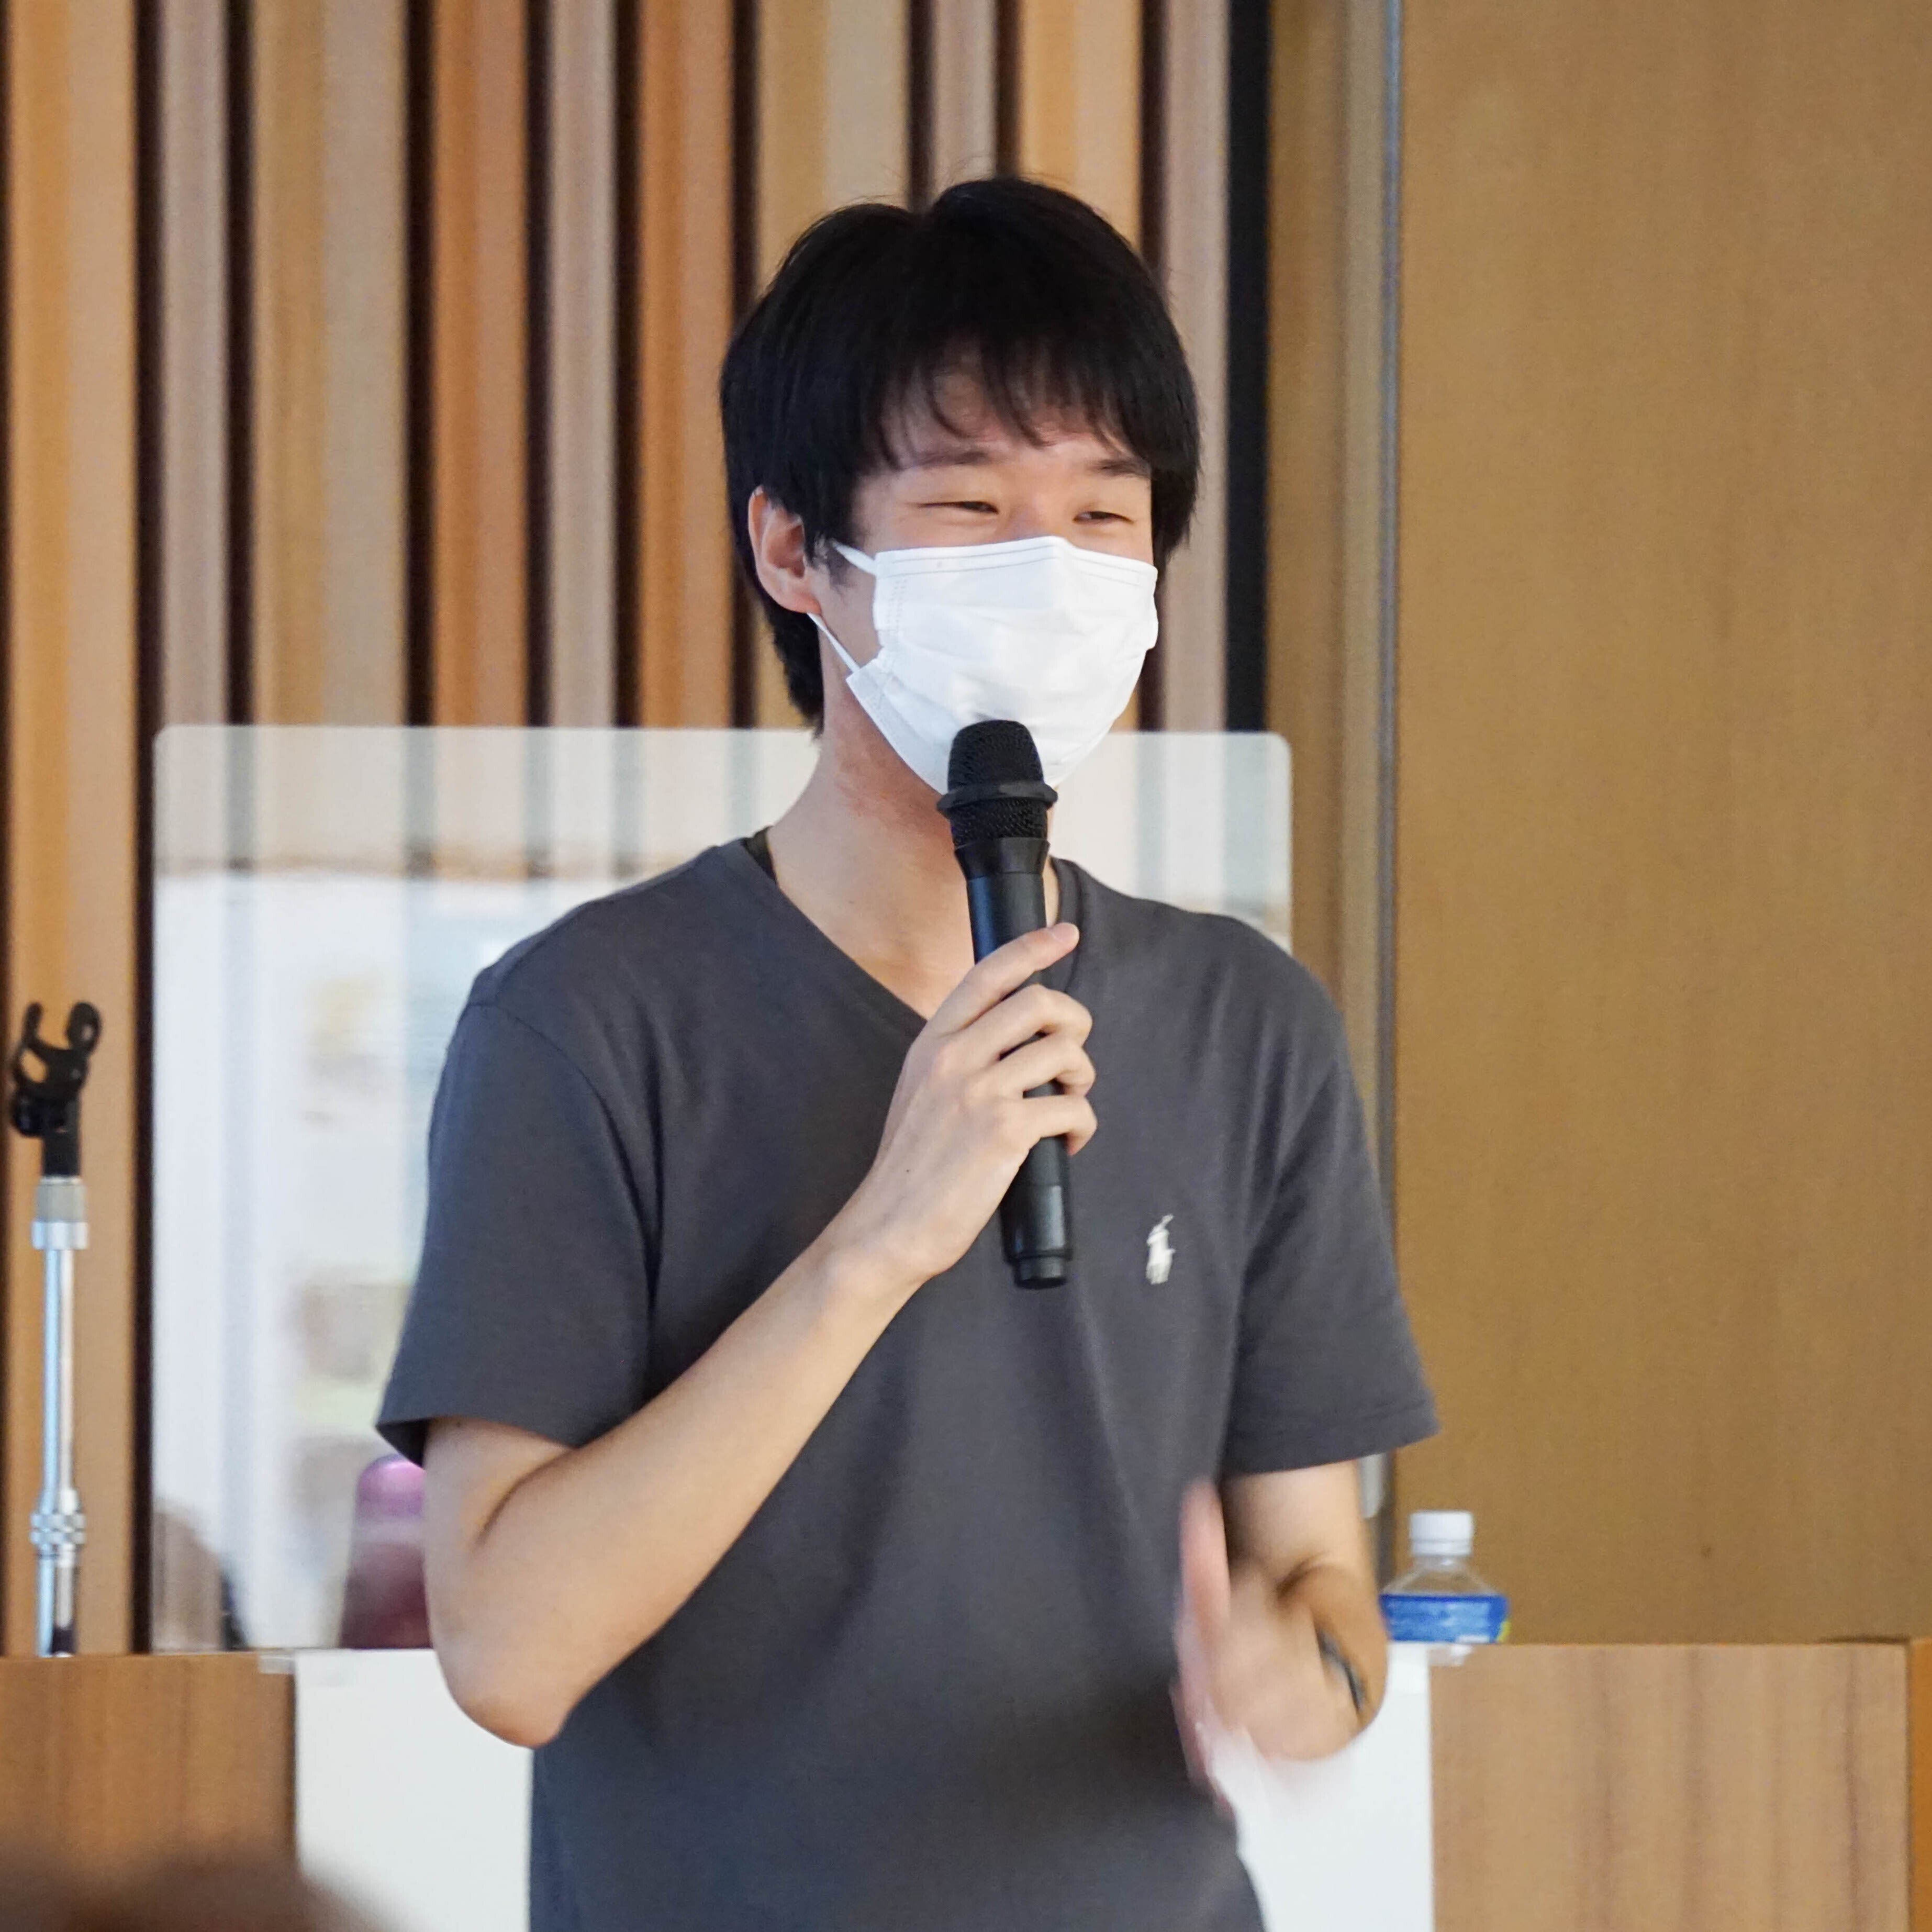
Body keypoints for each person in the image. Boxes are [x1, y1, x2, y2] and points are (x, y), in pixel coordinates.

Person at [377, 176, 1436, 1932]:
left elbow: (1325, 1592)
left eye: (1103, 513)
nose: (1052, 571)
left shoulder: (1248, 1023)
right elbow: (506, 1651)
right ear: (794, 549)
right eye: (972, 507)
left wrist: (1293, 1677)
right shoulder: (584, 1022)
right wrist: (876, 1240)